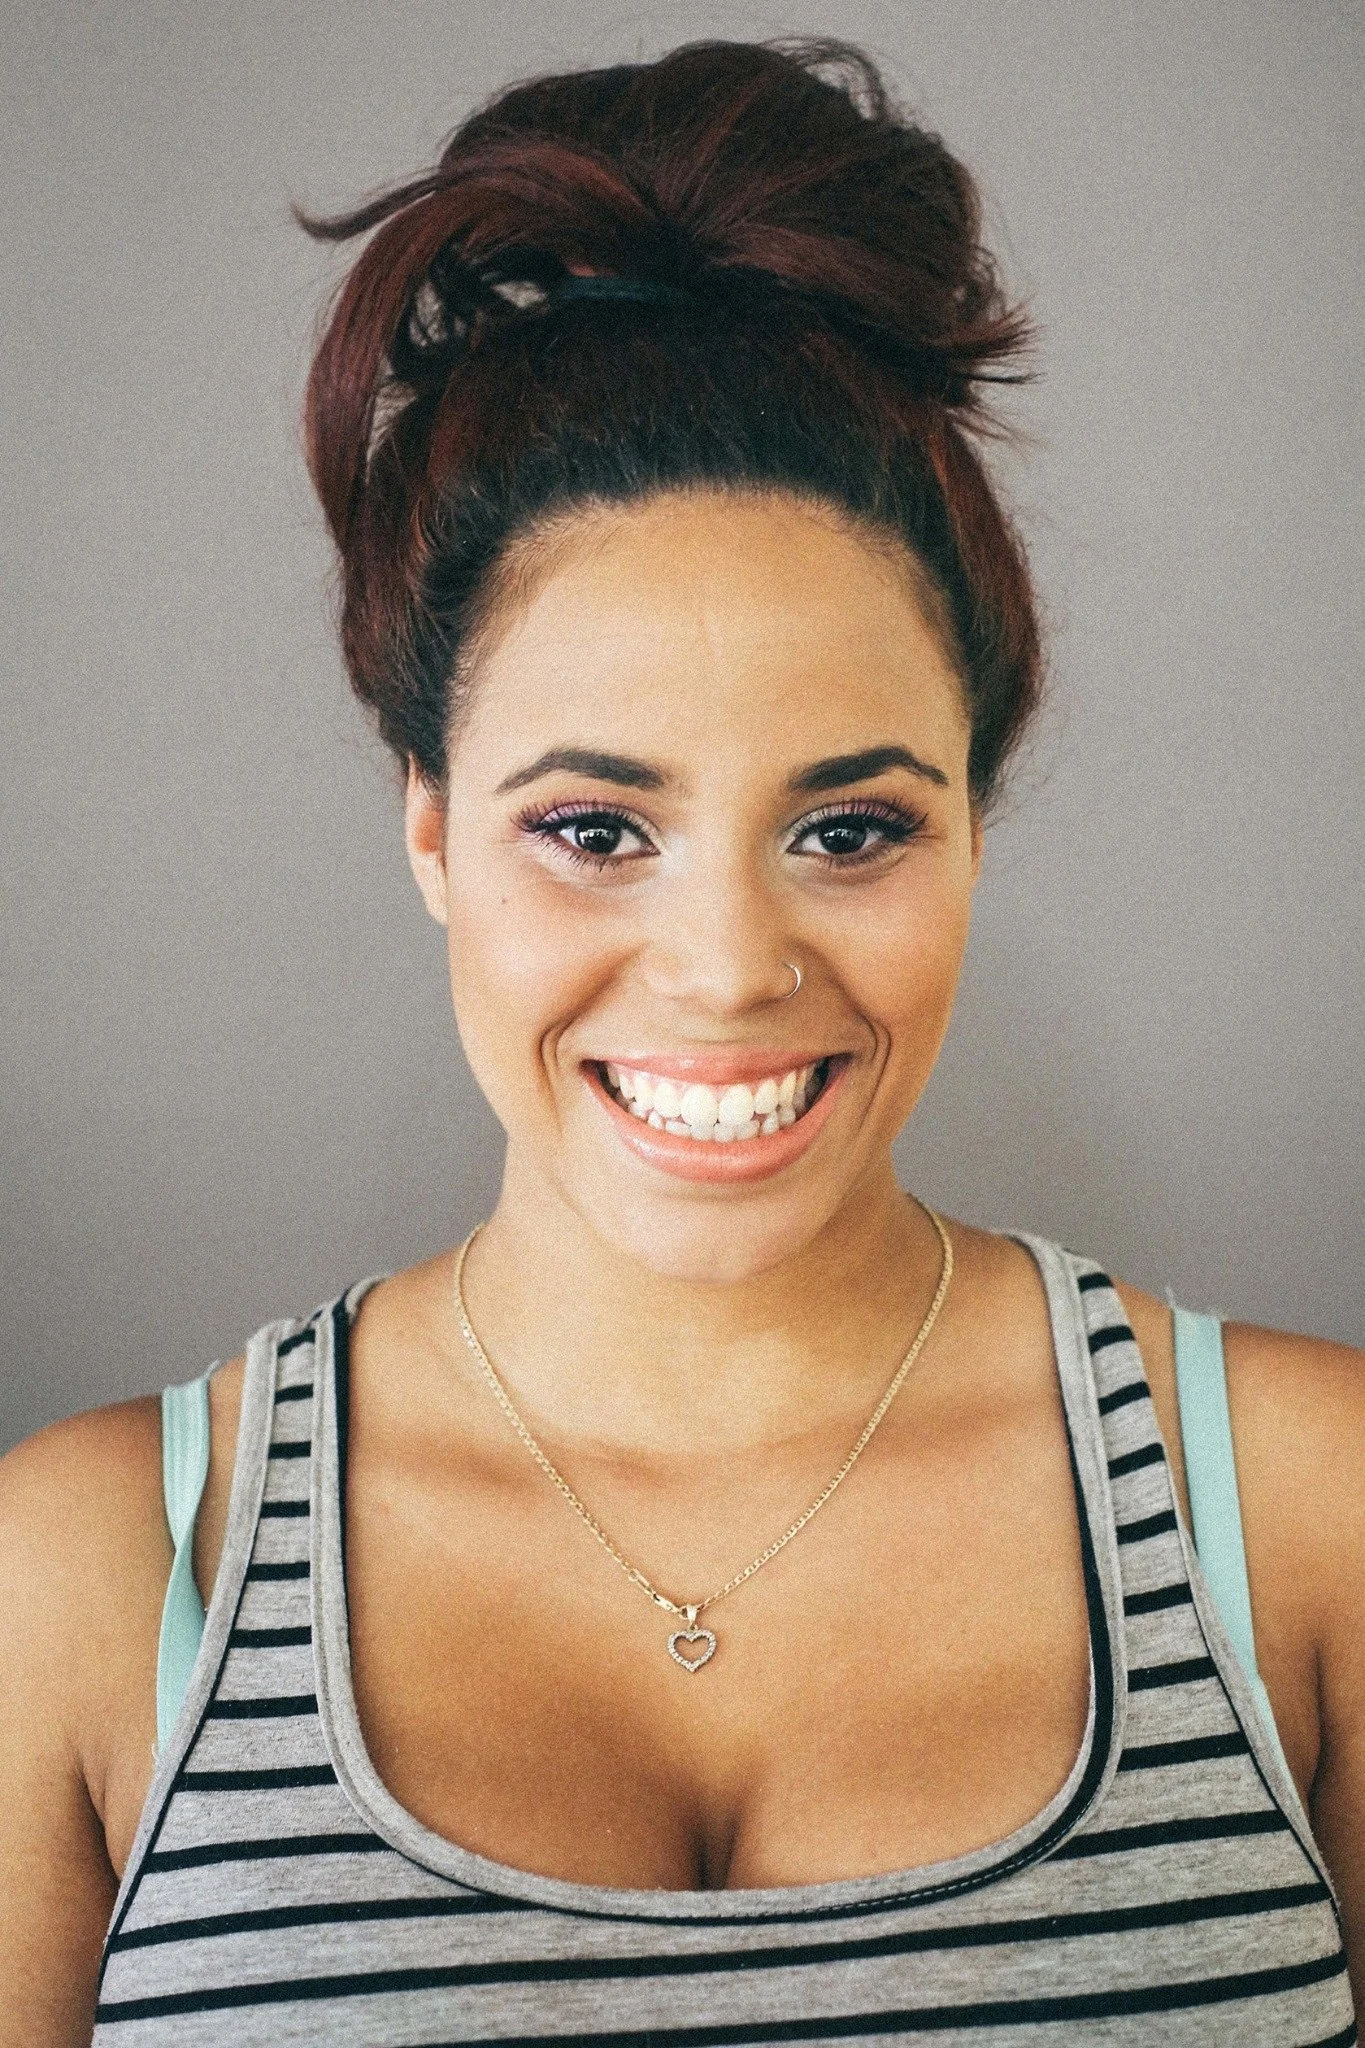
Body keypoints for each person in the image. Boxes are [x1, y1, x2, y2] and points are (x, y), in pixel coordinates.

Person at [0, 36, 1360, 2047]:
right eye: (593, 827)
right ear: (434, 833)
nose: (725, 965)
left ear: (973, 825)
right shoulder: (89, 1577)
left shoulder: (1311, 1515)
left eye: (849, 826)